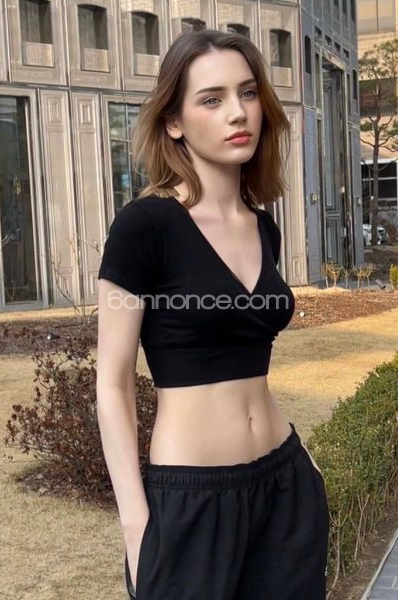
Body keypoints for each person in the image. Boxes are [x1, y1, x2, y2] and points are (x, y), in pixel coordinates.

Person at [96, 29, 330, 600]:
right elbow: (113, 382)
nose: (237, 112)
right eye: (212, 98)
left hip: (285, 490)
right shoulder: (144, 227)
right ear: (174, 122)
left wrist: (306, 472)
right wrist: (136, 525)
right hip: (191, 500)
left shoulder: (263, 226)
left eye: (247, 92)